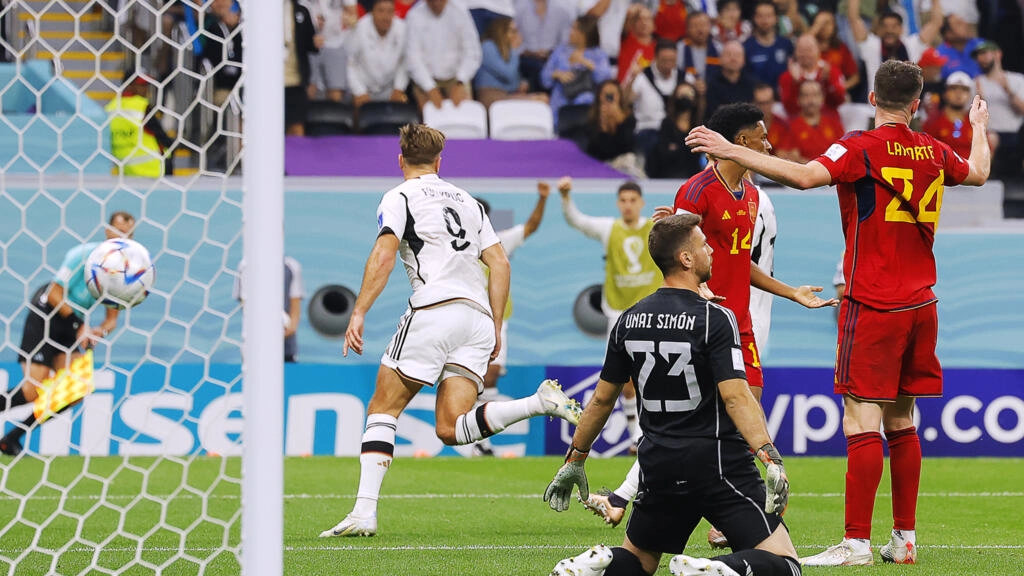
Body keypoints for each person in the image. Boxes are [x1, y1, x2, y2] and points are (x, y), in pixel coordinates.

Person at [685, 58, 991, 566]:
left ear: (872, 99)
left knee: (860, 420)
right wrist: (978, 126)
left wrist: (730, 148)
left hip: (872, 300)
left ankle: (855, 543)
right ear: (917, 105)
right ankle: (905, 538)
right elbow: (978, 172)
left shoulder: (859, 146)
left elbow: (805, 177)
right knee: (902, 418)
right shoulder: (935, 149)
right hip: (922, 302)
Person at [580, 104, 836, 541]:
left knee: (743, 412)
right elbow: (676, 261)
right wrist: (698, 297)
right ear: (740, 142)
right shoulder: (696, 192)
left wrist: (789, 291)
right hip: (701, 326)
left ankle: (678, 505)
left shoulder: (752, 195)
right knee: (703, 424)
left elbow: (739, 264)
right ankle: (648, 500)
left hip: (739, 322)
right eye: (761, 137)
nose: (769, 144)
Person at [318, 124, 581, 538]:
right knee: (450, 426)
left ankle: (364, 512)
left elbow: (385, 254)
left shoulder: (399, 196)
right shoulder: (468, 202)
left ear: (400, 160)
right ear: (440, 162)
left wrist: (359, 311)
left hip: (435, 308)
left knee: (383, 408)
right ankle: (537, 403)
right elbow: (501, 263)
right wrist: (494, 325)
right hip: (475, 318)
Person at [545, 214, 801, 576]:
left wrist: (576, 458)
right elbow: (736, 398)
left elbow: (602, 400)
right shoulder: (716, 317)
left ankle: (601, 568)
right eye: (702, 244)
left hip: (659, 462)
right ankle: (718, 570)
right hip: (716, 461)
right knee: (786, 564)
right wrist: (768, 455)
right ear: (685, 258)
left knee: (639, 560)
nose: (711, 250)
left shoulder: (628, 320)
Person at [0, 212, 136, 456]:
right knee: (33, 390)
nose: (122, 237)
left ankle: (11, 438)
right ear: (107, 231)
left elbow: (111, 320)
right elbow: (54, 293)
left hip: (73, 324)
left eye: (128, 234)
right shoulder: (82, 255)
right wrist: (79, 325)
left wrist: (96, 332)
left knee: (76, 390)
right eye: (118, 231)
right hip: (46, 315)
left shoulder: (122, 272)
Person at [560, 178, 663, 447]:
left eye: (633, 200)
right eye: (623, 200)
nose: (628, 206)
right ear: (618, 203)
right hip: (619, 315)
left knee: (655, 374)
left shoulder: (656, 229)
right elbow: (577, 221)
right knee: (624, 377)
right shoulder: (610, 229)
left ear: (641, 203)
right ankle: (635, 436)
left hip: (651, 313)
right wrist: (566, 197)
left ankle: (657, 433)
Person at [471, 182, 550, 456]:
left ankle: (481, 440)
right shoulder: (456, 246)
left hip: (497, 320)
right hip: (467, 320)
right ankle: (476, 438)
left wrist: (542, 199)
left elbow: (530, 227)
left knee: (490, 376)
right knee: (471, 377)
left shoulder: (499, 242)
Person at [847, 0, 941, 96]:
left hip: (906, 108)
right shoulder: (871, 46)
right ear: (878, 29)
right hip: (876, 108)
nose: (889, 30)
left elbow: (935, 23)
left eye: (894, 26)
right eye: (885, 26)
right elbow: (854, 18)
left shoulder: (911, 46)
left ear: (901, 29)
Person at [404, 0, 482, 110]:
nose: (436, 3)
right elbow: (413, 58)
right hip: (425, 78)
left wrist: (460, 81)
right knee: (428, 120)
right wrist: (429, 87)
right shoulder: (414, 15)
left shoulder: (460, 12)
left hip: (457, 77)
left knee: (463, 116)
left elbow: (472, 53)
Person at [540, 15, 612, 128]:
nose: (570, 32)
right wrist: (556, 74)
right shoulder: (560, 51)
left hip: (587, 103)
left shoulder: (598, 54)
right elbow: (544, 79)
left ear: (584, 33)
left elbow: (605, 78)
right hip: (562, 101)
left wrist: (585, 62)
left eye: (574, 29)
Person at [233, 257, 306, 363]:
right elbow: (245, 306)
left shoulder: (291, 266)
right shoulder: (245, 265)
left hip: (286, 347)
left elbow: (295, 311)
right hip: (255, 345)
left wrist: (278, 334)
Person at [106, 71, 173, 178]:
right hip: (153, 170)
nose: (146, 89)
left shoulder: (110, 107)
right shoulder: (142, 106)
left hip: (125, 172)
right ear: (129, 85)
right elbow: (161, 136)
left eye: (147, 85)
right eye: (142, 85)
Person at [473, 17, 548, 108]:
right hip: (491, 97)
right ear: (501, 31)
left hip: (505, 95)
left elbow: (514, 84)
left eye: (516, 31)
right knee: (540, 100)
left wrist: (520, 84)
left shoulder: (507, 52)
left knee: (543, 98)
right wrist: (514, 50)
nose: (515, 35)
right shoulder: (487, 46)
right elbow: (509, 74)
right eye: (512, 31)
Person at [973, 41, 1024, 177]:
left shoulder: (1016, 79)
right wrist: (980, 98)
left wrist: (1008, 90)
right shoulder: (976, 83)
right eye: (978, 55)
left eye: (984, 53)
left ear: (997, 54)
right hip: (990, 134)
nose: (981, 58)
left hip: (1015, 135)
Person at [347, 0, 410, 108]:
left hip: (390, 89)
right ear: (372, 12)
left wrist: (399, 88)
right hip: (363, 87)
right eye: (381, 11)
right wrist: (359, 91)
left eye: (390, 12)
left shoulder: (402, 29)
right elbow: (350, 64)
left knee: (403, 109)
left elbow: (404, 62)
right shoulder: (360, 28)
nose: (385, 17)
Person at [776, 80, 847, 163]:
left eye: (815, 95)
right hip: (803, 173)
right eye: (806, 96)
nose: (811, 100)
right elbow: (781, 155)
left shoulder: (834, 122)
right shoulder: (789, 125)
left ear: (822, 98)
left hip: (833, 172)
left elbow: (845, 151)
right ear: (799, 99)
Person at [778, 34, 846, 117]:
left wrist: (828, 82)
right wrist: (795, 84)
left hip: (829, 122)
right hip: (799, 124)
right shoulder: (787, 76)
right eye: (801, 50)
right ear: (795, 52)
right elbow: (789, 109)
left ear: (818, 50)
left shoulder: (831, 72)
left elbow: (840, 101)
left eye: (809, 50)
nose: (805, 54)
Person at [514, 0, 574, 91]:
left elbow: (565, 41)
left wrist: (551, 53)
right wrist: (527, 52)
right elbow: (513, 36)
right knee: (537, 68)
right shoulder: (519, 7)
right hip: (526, 57)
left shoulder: (561, 10)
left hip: (552, 57)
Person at [646, 83, 703, 179]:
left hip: (693, 176)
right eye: (682, 95)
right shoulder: (667, 124)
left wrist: (676, 148)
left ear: (695, 100)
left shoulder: (700, 126)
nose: (685, 98)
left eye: (689, 95)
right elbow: (663, 153)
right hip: (667, 175)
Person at [586, 80, 641, 176]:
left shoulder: (628, 118)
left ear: (619, 96)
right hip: (600, 163)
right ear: (599, 96)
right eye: (606, 95)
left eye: (612, 95)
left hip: (624, 161)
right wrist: (604, 125)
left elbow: (628, 145)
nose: (609, 98)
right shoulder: (593, 119)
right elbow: (595, 150)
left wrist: (619, 120)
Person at [307, 0, 358, 103]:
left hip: (335, 43)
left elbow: (353, 14)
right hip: (308, 43)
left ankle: (334, 118)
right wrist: (312, 26)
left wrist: (349, 20)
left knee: (336, 94)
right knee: (309, 90)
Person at [284, 0, 320, 136]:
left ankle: (295, 157)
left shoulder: (302, 11)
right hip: (270, 81)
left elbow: (310, 45)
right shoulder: (262, 13)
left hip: (295, 78)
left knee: (296, 125)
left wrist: (316, 42)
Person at [922, 71, 975, 159]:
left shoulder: (975, 123)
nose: (959, 93)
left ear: (970, 95)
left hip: (970, 170)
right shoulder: (934, 121)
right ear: (945, 93)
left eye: (964, 89)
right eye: (953, 88)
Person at [743, 0, 793, 89]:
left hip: (782, 99)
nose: (764, 20)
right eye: (760, 16)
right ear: (754, 18)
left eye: (769, 16)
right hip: (756, 99)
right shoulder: (746, 47)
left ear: (776, 18)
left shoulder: (786, 44)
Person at [810, 10, 859, 98]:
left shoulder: (841, 48)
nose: (824, 27)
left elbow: (855, 77)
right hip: (811, 93)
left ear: (834, 26)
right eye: (821, 23)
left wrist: (841, 87)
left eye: (828, 23)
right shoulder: (809, 48)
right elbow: (803, 45)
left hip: (836, 95)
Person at [704, 40, 757, 120]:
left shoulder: (752, 84)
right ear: (720, 59)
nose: (733, 59)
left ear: (744, 60)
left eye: (737, 55)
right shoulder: (710, 84)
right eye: (729, 55)